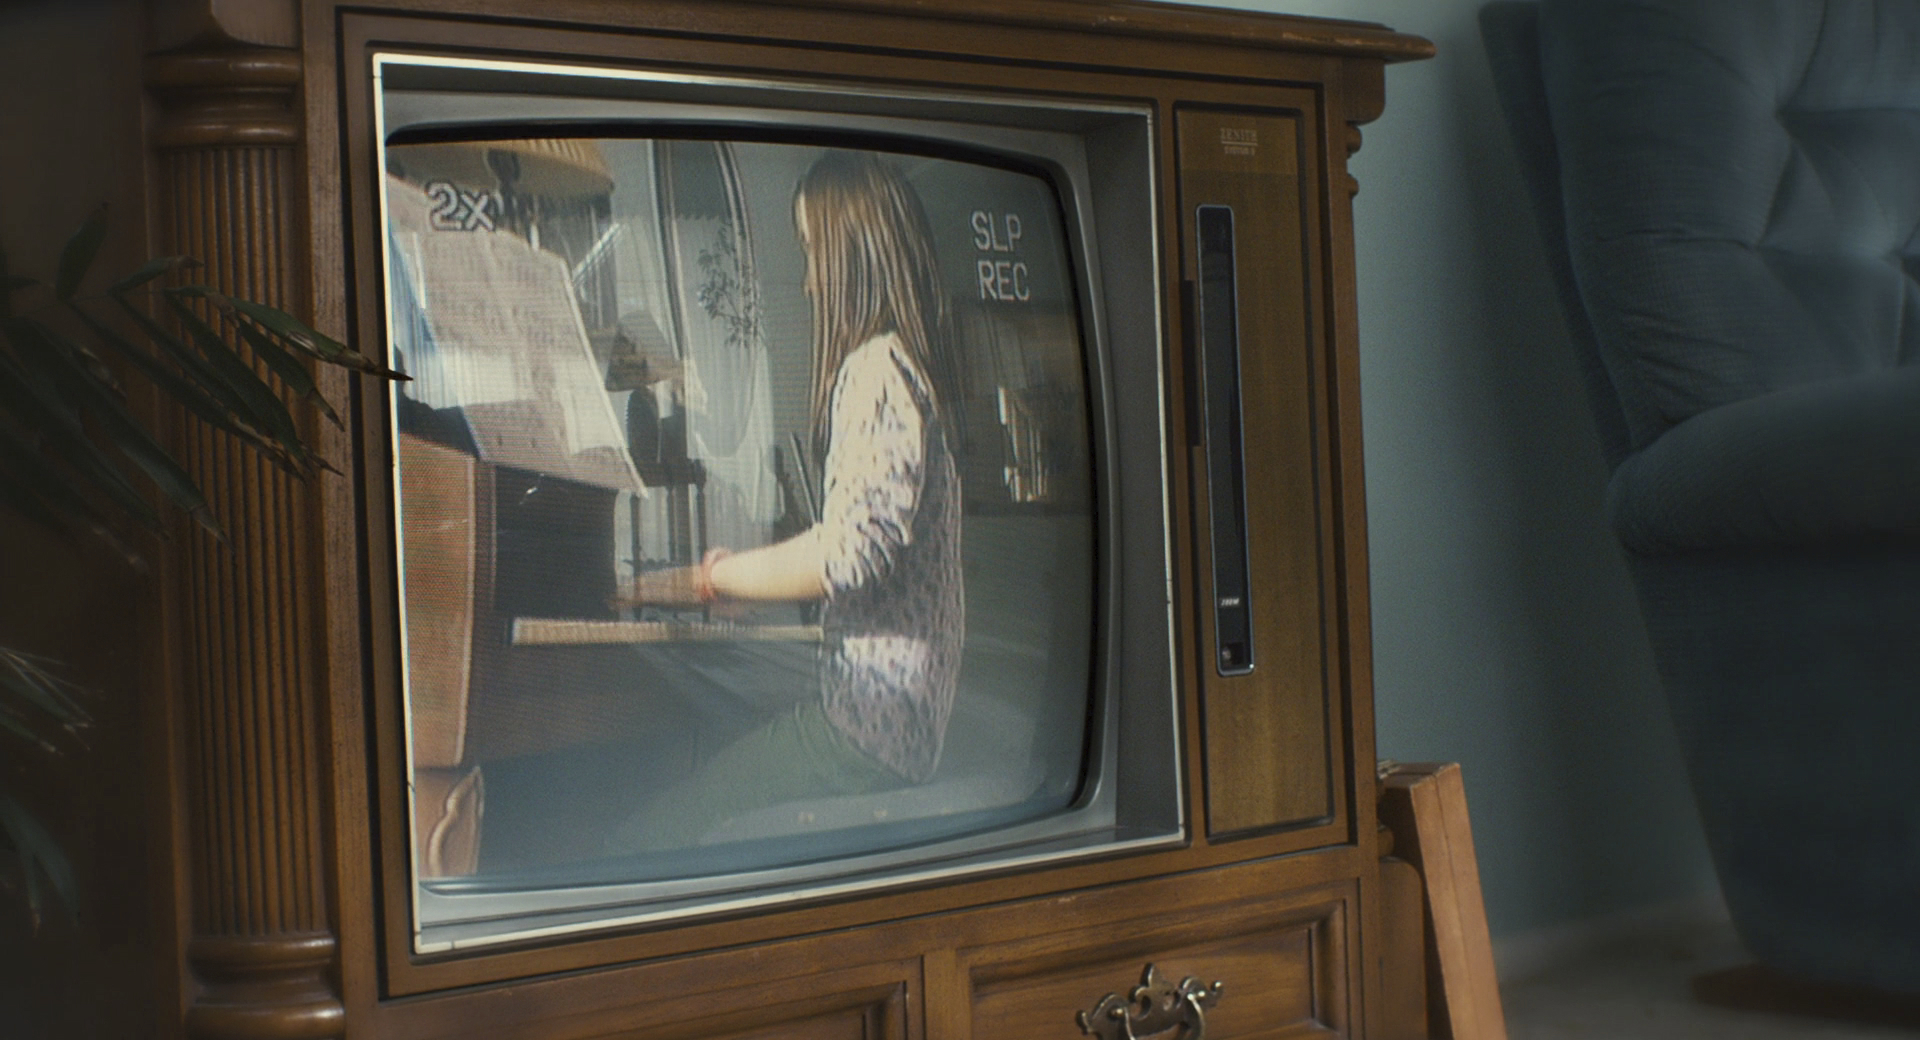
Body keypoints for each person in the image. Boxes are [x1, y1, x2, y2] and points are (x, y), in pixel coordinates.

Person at [605, 151, 964, 855]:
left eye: (811, 251)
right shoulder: (912, 369)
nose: (807, 281)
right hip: (899, 725)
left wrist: (709, 577)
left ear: (850, 254)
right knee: (721, 737)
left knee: (654, 835)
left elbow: (845, 554)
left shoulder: (875, 369)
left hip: (865, 731)